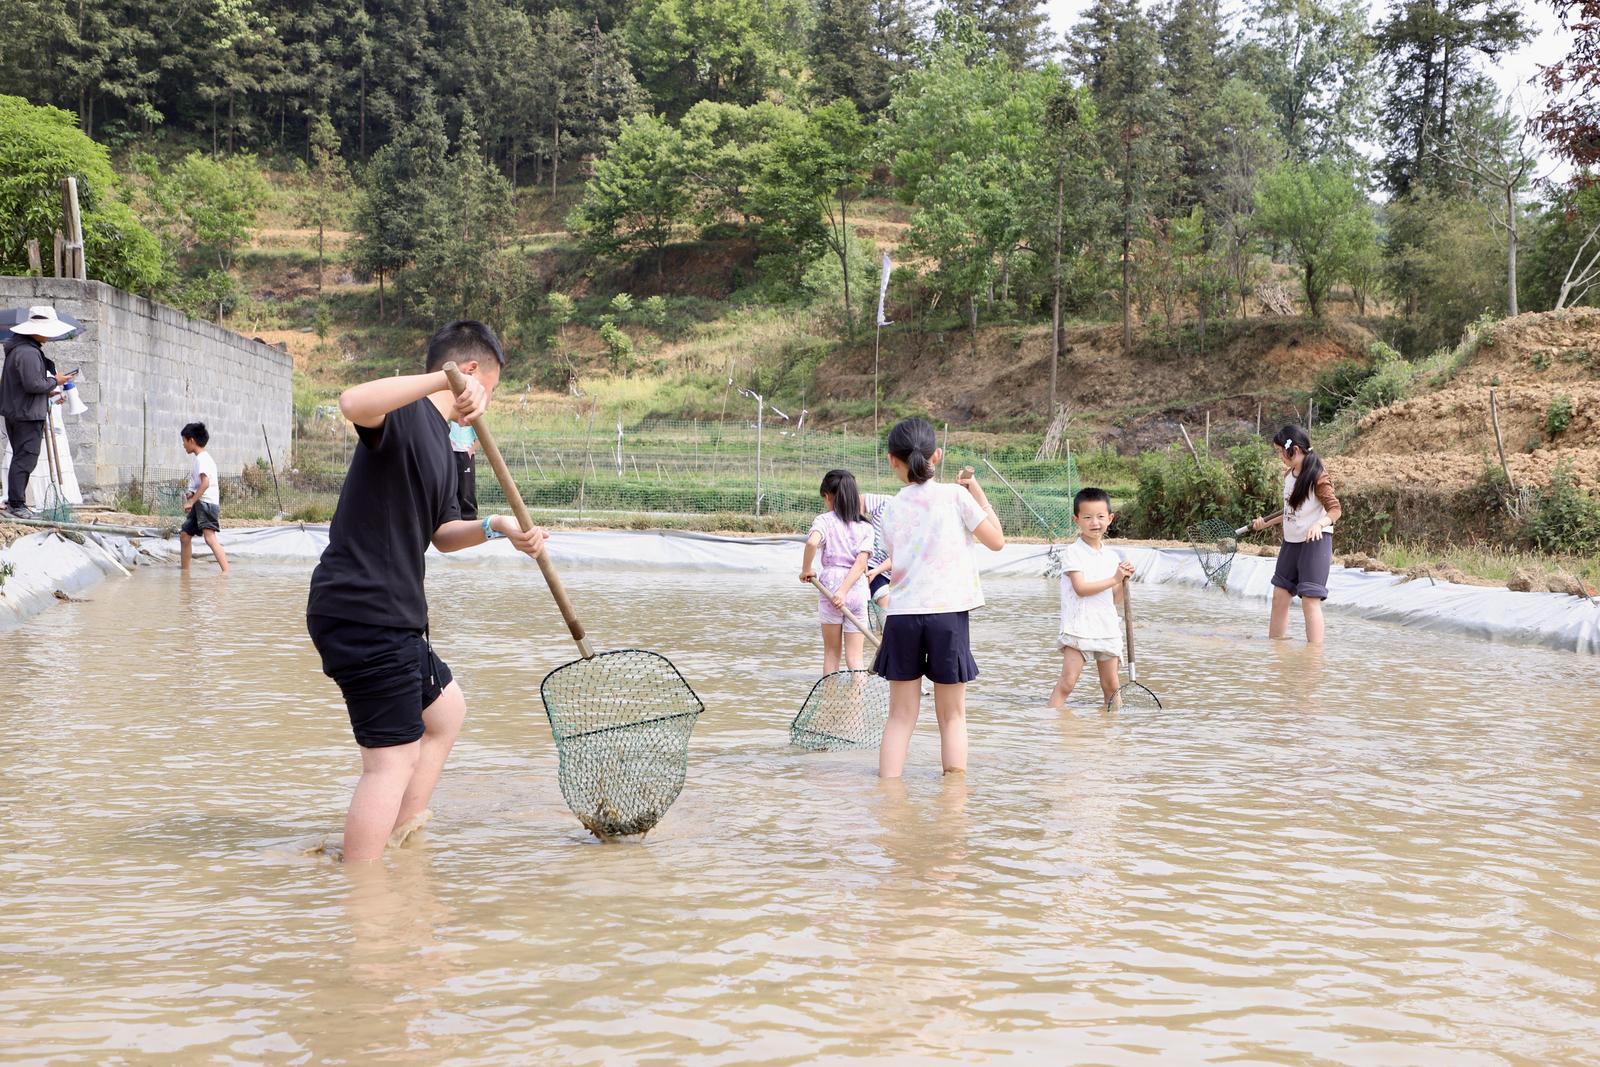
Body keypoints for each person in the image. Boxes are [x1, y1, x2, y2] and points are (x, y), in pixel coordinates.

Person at [306, 320, 547, 863]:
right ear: (470, 373)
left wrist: (499, 528)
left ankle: (395, 837)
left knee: (445, 712)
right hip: (365, 609)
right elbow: (351, 402)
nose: (487, 404)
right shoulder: (403, 412)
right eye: (489, 390)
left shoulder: (447, 442)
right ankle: (363, 886)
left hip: (394, 613)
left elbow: (443, 535)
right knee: (390, 761)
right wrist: (442, 381)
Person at [873, 417, 1005, 778]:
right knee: (952, 717)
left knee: (900, 717)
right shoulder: (956, 496)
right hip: (948, 615)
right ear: (938, 455)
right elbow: (996, 541)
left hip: (902, 615)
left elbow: (896, 556)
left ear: (892, 460)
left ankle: (888, 795)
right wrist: (977, 492)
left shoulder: (890, 508)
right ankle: (954, 800)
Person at [1251, 424, 1342, 644]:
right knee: (1279, 596)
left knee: (1310, 600)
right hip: (1291, 542)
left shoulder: (1318, 476)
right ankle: (1276, 647)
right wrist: (1264, 524)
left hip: (1315, 542)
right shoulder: (1289, 475)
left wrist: (1319, 524)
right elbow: (1289, 511)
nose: (1279, 456)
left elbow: (1335, 510)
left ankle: (1314, 655)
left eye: (1281, 451)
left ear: (1295, 449)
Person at [1048, 488, 1136, 709]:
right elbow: (1081, 589)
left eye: (1100, 517)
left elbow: (1114, 599)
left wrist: (1124, 580)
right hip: (1079, 627)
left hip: (1106, 628)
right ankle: (1051, 723)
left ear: (1110, 519)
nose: (1094, 523)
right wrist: (1114, 578)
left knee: (1111, 686)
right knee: (1067, 683)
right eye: (1087, 517)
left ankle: (1113, 727)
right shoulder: (1073, 553)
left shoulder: (1112, 557)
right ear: (1076, 520)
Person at [0, 306, 75, 519]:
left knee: (22, 457)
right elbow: (33, 384)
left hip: (20, 411)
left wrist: (49, 391)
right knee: (25, 459)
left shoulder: (21, 349)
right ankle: (16, 504)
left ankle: (16, 502)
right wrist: (56, 381)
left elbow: (27, 385)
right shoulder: (28, 352)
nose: (49, 337)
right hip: (26, 415)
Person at [798, 469, 873, 674]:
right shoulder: (865, 526)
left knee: (831, 653)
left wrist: (806, 570)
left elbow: (812, 543)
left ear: (828, 496)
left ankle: (830, 695)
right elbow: (861, 563)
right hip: (857, 588)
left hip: (830, 588)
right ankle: (858, 695)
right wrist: (845, 591)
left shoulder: (824, 520)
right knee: (855, 658)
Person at [179, 421, 230, 574]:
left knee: (209, 538)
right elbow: (199, 484)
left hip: (206, 504)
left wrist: (191, 501)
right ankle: (184, 573)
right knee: (185, 535)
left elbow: (206, 483)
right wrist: (192, 494)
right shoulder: (200, 459)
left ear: (191, 440)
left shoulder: (203, 459)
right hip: (200, 503)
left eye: (184, 441)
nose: (183, 445)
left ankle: (226, 573)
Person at [448, 418, 478, 520]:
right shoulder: (452, 420)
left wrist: (470, 451)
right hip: (451, 453)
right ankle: (454, 516)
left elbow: (481, 438)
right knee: (452, 485)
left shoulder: (473, 420)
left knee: (466, 486)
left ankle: (469, 516)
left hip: (465, 454)